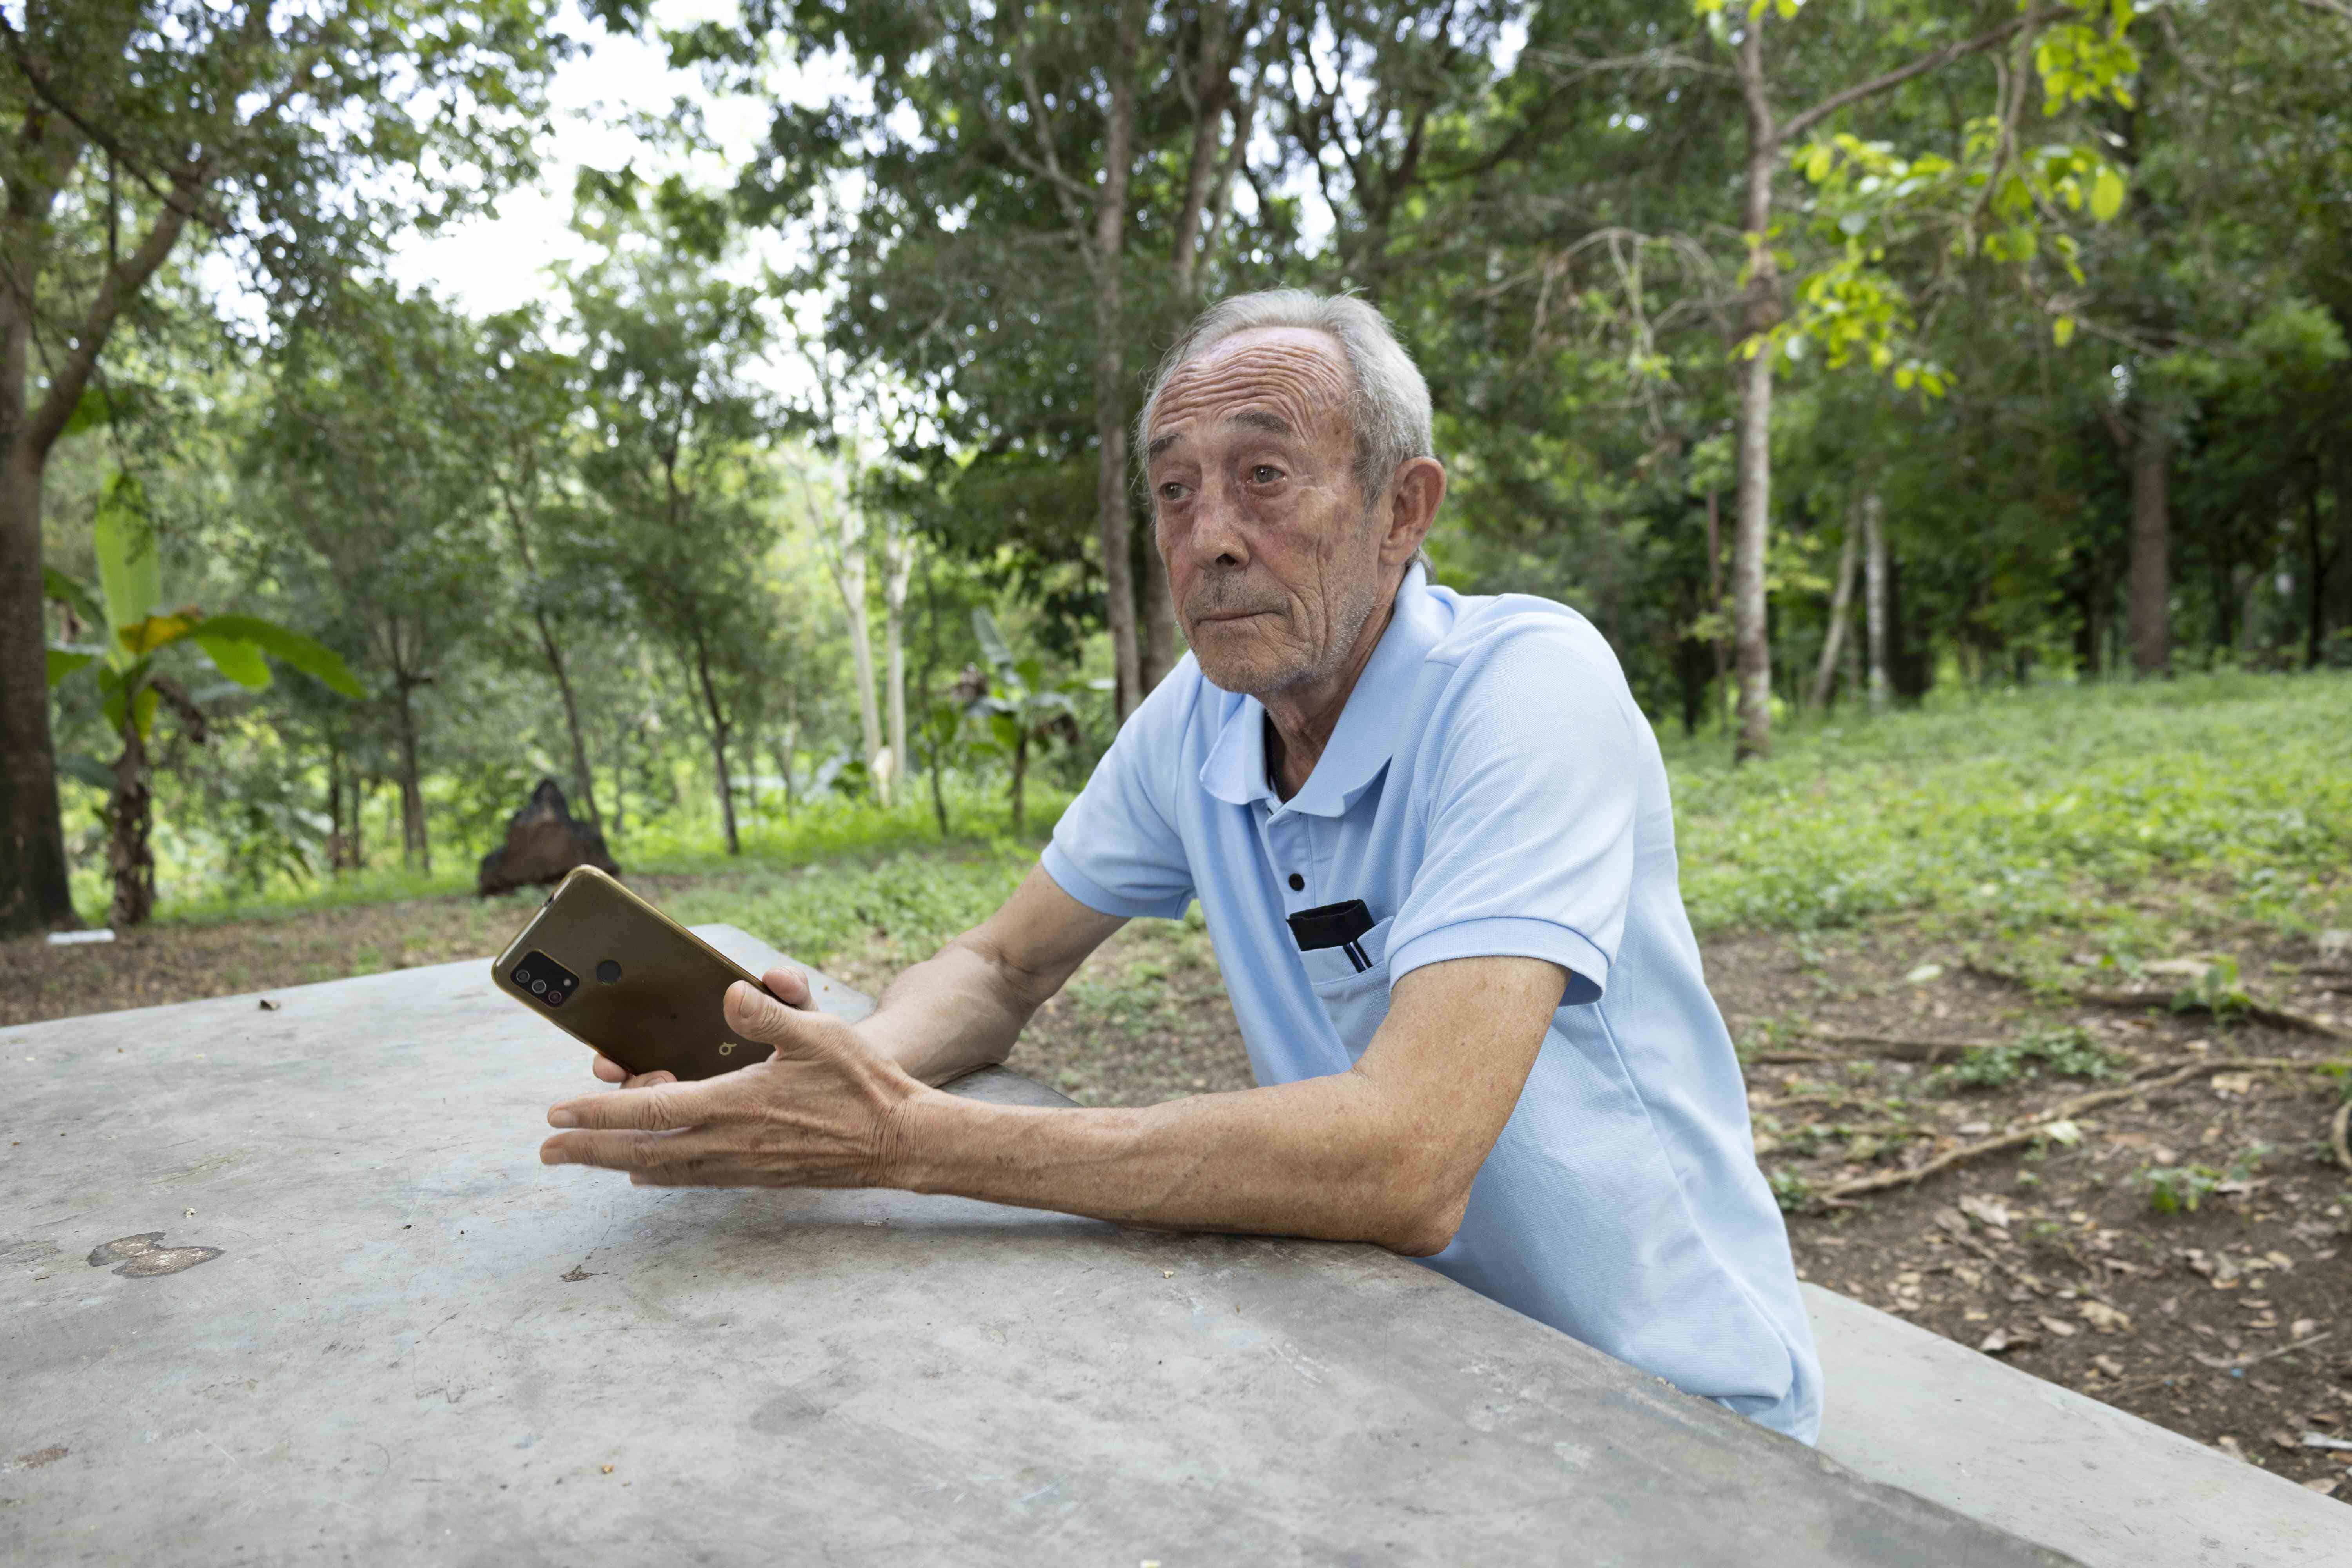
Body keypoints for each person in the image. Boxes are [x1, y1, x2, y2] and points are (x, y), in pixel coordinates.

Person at [539, 289, 1823, 1444]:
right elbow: (999, 964)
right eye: (1174, 491)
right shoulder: (1202, 720)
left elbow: (1408, 1158)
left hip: (1667, 1398)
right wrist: (815, 1074)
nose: (1208, 536)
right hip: (1411, 1356)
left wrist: (903, 1141)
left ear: (1402, 512)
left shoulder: (1528, 690)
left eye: (1265, 476)